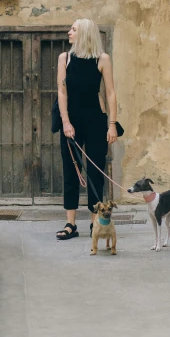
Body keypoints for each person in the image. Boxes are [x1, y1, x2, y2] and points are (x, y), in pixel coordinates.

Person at [55, 19, 118, 240]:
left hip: (96, 121)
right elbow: (62, 93)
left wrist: (112, 125)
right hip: (71, 123)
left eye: (73, 29)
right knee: (71, 172)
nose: (68, 32)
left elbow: (110, 93)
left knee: (96, 172)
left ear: (85, 34)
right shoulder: (65, 59)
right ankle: (70, 224)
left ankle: (95, 223)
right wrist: (65, 122)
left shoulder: (102, 60)